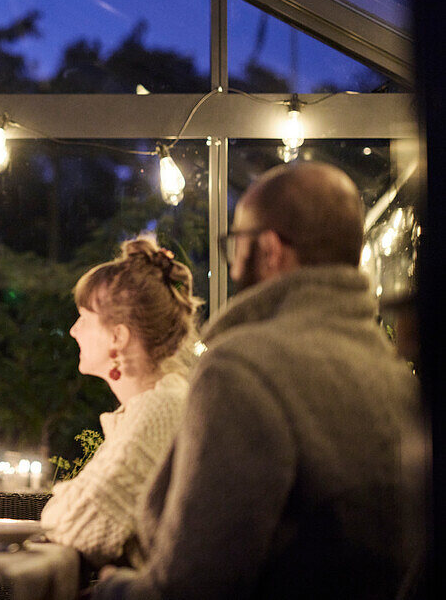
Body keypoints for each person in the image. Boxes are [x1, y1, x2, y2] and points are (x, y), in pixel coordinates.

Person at [93, 162, 425, 600]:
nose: (233, 268)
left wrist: (108, 590)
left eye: (238, 246)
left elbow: (192, 587)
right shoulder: (394, 375)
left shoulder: (243, 370)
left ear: (269, 250)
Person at [41, 238, 200, 569]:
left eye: (85, 317)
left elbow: (75, 526)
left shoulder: (160, 410)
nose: (73, 330)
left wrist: (63, 502)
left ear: (118, 337)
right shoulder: (153, 406)